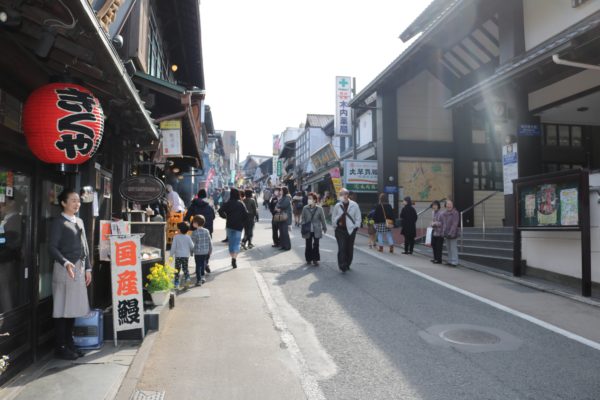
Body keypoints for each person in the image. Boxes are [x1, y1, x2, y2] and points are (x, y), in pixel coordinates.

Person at [48, 189, 92, 360]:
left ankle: (70, 343)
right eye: (73, 201)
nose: (77, 204)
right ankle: (60, 346)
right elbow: (52, 247)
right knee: (61, 309)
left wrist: (88, 268)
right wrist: (65, 262)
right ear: (63, 203)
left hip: (79, 269)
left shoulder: (79, 221)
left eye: (78, 201)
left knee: (72, 309)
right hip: (64, 268)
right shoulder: (59, 222)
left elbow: (85, 247)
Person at [185, 189, 215, 272]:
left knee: (196, 247)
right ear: (205, 196)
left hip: (196, 230)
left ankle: (199, 265)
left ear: (198, 195)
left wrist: (189, 225)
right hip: (208, 229)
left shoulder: (193, 205)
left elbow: (187, 217)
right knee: (207, 246)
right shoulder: (209, 205)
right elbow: (213, 216)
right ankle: (205, 262)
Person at [332, 188, 361, 272]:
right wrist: (335, 225)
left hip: (351, 230)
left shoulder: (354, 205)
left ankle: (348, 263)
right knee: (341, 248)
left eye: (343, 194)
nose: (342, 196)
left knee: (349, 248)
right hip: (340, 230)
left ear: (347, 195)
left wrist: (356, 227)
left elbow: (358, 217)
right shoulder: (338, 205)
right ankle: (342, 265)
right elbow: (333, 216)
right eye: (340, 194)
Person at [218, 188, 248, 268]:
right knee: (237, 242)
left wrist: (225, 216)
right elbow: (246, 214)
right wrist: (242, 222)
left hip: (229, 225)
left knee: (231, 242)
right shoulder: (241, 203)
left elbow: (220, 210)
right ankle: (234, 258)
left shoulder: (228, 203)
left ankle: (232, 257)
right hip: (238, 226)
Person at [300, 192, 327, 266]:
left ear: (315, 200)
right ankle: (308, 259)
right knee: (308, 244)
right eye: (308, 198)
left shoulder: (320, 209)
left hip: (317, 229)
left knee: (316, 245)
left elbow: (323, 219)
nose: (308, 200)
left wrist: (324, 227)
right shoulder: (305, 208)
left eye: (310, 199)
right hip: (307, 229)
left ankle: (315, 259)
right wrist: (303, 224)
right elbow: (302, 218)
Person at [170, 221, 194, 289]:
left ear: (180, 230)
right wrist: (191, 252)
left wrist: (171, 255)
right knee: (185, 268)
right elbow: (192, 246)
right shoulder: (188, 237)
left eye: (178, 228)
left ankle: (176, 283)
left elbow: (173, 247)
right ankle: (187, 279)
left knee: (177, 270)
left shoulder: (176, 237)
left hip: (178, 256)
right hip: (186, 256)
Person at [191, 215, 212, 286]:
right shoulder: (207, 231)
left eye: (193, 222)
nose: (192, 223)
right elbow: (209, 241)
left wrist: (191, 252)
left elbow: (192, 244)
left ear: (196, 223)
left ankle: (199, 280)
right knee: (203, 264)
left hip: (198, 252)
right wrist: (210, 250)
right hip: (205, 251)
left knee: (198, 266)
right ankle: (203, 277)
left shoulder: (194, 233)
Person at [441, 199, 460, 267]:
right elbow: (443, 224)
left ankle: (454, 262)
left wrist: (450, 232)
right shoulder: (444, 213)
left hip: (453, 233)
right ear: (445, 205)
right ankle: (450, 260)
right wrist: (443, 232)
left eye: (450, 204)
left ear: (452, 205)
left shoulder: (455, 212)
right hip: (446, 233)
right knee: (448, 247)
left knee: (453, 247)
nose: (449, 205)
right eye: (447, 204)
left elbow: (455, 224)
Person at [275, 186, 292, 251]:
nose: (280, 191)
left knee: (285, 232)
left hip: (285, 216)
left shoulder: (287, 197)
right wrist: (277, 207)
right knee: (281, 232)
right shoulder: (282, 197)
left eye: (281, 190)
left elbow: (283, 205)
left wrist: (278, 207)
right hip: (281, 216)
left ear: (284, 191)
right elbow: (277, 204)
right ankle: (282, 245)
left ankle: (287, 246)